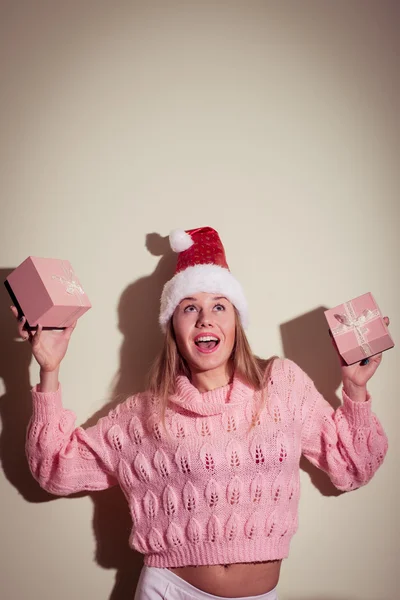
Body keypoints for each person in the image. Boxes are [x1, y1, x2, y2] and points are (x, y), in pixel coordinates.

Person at [11, 227, 389, 600]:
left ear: (236, 323)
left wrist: (355, 388)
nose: (205, 319)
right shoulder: (143, 413)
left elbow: (353, 466)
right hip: (169, 590)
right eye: (190, 307)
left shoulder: (283, 384)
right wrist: (49, 369)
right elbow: (54, 470)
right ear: (173, 327)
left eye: (219, 306)